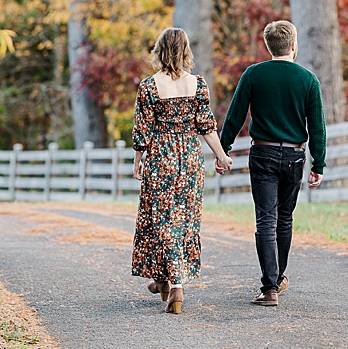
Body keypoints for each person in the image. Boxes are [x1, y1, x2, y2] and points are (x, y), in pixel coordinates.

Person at [218, 20, 326, 307]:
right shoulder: (308, 80)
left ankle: (270, 289)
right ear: (293, 46)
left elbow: (235, 115)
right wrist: (319, 163)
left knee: (266, 219)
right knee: (285, 218)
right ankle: (278, 279)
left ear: (268, 46)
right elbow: (317, 127)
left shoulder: (254, 74)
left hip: (262, 153)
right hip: (294, 155)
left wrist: (223, 149)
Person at [131, 27, 232, 314]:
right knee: (184, 220)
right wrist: (222, 156)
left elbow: (143, 131)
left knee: (161, 220)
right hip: (188, 158)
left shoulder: (149, 87)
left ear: (159, 51)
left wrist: (138, 159)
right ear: (186, 51)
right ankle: (164, 280)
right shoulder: (198, 85)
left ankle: (175, 284)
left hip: (161, 157)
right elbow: (207, 127)